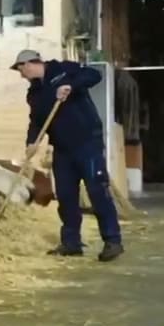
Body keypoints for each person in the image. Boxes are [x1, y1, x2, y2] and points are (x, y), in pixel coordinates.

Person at [12, 49, 123, 262]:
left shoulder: (63, 69)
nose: (21, 74)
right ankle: (71, 243)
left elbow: (94, 75)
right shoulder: (34, 93)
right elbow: (36, 121)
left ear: (29, 64)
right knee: (65, 196)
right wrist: (31, 142)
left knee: (97, 191)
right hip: (62, 149)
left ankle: (112, 241)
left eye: (20, 69)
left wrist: (71, 86)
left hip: (87, 143)